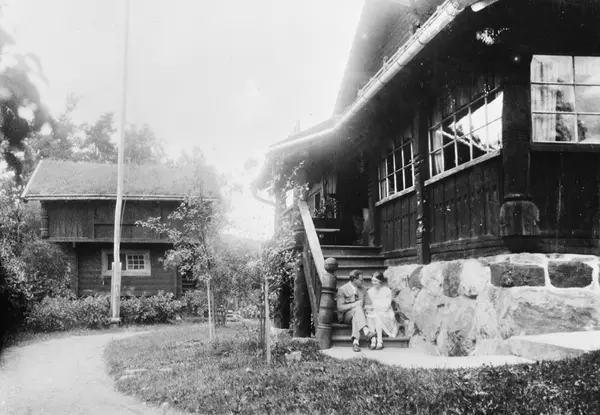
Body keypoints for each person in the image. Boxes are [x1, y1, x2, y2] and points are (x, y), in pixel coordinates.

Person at [336, 269, 376, 352]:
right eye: (361, 280)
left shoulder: (363, 289)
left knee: (356, 316)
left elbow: (368, 303)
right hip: (346, 316)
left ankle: (355, 342)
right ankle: (366, 331)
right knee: (357, 308)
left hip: (358, 315)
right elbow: (340, 308)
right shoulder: (342, 289)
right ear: (354, 280)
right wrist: (354, 305)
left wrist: (366, 307)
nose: (363, 281)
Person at [364, 271, 399, 350]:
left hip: (386, 314)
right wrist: (372, 308)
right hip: (374, 313)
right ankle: (375, 340)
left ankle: (377, 341)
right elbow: (368, 305)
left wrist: (374, 307)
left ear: (381, 281)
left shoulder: (387, 291)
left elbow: (386, 306)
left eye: (376, 281)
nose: (373, 283)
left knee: (376, 315)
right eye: (372, 281)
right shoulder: (369, 291)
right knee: (371, 315)